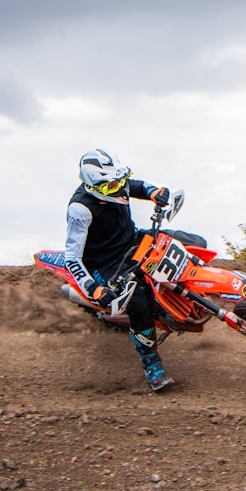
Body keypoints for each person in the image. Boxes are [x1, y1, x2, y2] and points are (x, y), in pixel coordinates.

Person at [63, 148, 179, 391]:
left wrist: (153, 192)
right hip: (104, 262)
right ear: (95, 186)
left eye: (119, 181)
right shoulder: (80, 210)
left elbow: (134, 186)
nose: (118, 188)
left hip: (131, 241)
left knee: (186, 240)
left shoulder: (115, 182)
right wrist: (94, 289)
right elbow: (72, 258)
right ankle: (152, 366)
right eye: (111, 185)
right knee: (137, 302)